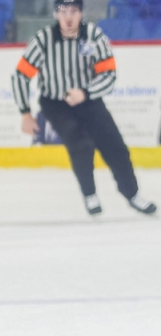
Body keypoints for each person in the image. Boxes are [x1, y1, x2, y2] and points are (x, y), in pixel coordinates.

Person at [12, 0, 157, 216]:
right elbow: (20, 76)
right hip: (55, 103)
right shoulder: (43, 40)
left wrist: (85, 92)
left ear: (81, 13)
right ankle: (90, 195)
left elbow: (109, 75)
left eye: (73, 11)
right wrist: (25, 112)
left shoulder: (94, 36)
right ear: (55, 13)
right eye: (63, 11)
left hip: (88, 100)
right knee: (80, 144)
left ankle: (133, 194)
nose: (68, 17)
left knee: (116, 147)